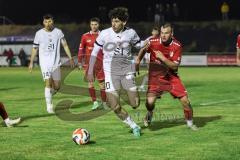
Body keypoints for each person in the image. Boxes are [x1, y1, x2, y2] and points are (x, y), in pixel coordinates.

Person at [87, 7, 146, 137]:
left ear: (124, 22)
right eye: (112, 21)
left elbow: (138, 45)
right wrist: (90, 70)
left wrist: (149, 41)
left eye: (117, 21)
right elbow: (95, 52)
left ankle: (126, 91)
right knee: (114, 106)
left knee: (135, 104)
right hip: (110, 73)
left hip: (126, 72)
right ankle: (134, 125)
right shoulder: (104, 34)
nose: (114, 24)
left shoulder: (131, 33)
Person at [136, 23, 198, 131]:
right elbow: (143, 49)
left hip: (171, 77)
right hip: (155, 77)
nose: (163, 35)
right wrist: (137, 61)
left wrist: (162, 58)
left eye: (166, 33)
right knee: (149, 103)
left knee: (185, 101)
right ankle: (150, 112)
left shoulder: (177, 46)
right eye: (162, 33)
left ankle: (190, 123)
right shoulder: (152, 42)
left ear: (172, 33)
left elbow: (174, 66)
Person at [29, 14, 75, 113]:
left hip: (56, 63)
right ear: (43, 22)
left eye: (49, 21)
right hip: (44, 63)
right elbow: (34, 48)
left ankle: (48, 94)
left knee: (57, 86)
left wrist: (70, 58)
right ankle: (49, 106)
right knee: (48, 83)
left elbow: (65, 45)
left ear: (52, 21)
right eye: (46, 22)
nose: (47, 24)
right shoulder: (39, 33)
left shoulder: (58, 32)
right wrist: (31, 62)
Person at [78, 17, 107, 110]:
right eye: (92, 24)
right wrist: (79, 61)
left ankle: (104, 102)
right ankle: (94, 102)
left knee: (102, 84)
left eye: (95, 24)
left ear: (98, 25)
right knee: (90, 83)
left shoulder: (103, 35)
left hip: (100, 63)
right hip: (89, 64)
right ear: (90, 25)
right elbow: (81, 49)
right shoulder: (85, 36)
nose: (94, 26)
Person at [138, 26, 160, 92]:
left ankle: (153, 87)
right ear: (152, 32)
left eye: (156, 31)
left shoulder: (160, 39)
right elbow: (144, 49)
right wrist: (147, 58)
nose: (155, 32)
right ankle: (148, 87)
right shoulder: (148, 39)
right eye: (154, 31)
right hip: (150, 58)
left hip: (157, 59)